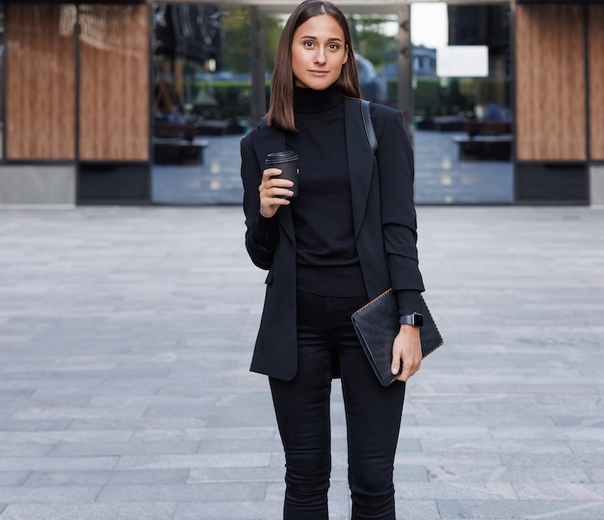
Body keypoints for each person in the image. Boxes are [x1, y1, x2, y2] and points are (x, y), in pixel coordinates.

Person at [240, 1, 426, 518]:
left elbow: (399, 229)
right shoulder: (261, 141)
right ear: (289, 52)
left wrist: (409, 320)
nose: (320, 56)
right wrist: (265, 211)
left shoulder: (380, 126)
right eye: (308, 43)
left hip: (371, 317)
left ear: (346, 57)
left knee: (372, 480)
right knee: (304, 479)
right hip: (296, 320)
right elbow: (260, 255)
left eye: (333, 45)